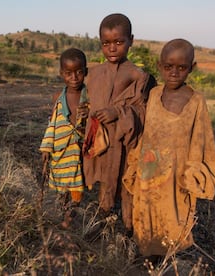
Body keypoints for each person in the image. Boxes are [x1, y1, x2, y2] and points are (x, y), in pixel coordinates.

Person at [122, 38, 215, 257]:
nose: (174, 72)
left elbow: (200, 140)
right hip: (149, 169)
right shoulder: (155, 94)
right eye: (168, 67)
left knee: (173, 214)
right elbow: (147, 132)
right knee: (146, 212)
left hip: (177, 174)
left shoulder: (196, 102)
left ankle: (169, 257)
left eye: (181, 67)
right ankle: (145, 254)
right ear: (160, 66)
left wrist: (193, 174)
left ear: (191, 68)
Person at [83, 13, 156, 234]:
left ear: (130, 40)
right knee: (104, 180)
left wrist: (118, 112)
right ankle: (103, 218)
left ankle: (128, 227)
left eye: (118, 42)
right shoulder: (94, 73)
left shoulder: (139, 76)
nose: (112, 48)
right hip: (102, 140)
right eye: (106, 43)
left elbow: (146, 111)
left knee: (127, 183)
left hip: (126, 141)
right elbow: (92, 101)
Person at [39, 48, 89, 228]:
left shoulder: (89, 97)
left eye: (79, 72)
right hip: (61, 152)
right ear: (62, 74)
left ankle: (69, 220)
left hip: (80, 151)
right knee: (63, 189)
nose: (74, 77)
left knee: (77, 190)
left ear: (86, 72)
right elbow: (52, 125)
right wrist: (46, 148)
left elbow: (95, 123)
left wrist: (89, 115)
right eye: (68, 73)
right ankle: (63, 212)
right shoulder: (58, 99)